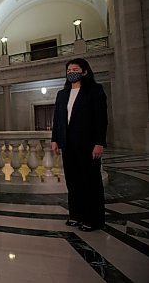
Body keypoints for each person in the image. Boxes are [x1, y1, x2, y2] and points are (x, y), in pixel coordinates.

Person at [51, 58, 108, 232]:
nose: (71, 72)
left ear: (84, 71)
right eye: (68, 70)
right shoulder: (62, 94)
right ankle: (76, 215)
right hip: (68, 144)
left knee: (90, 181)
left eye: (75, 69)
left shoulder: (94, 91)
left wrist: (99, 142)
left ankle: (94, 219)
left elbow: (101, 119)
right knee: (73, 181)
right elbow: (58, 119)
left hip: (88, 144)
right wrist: (55, 140)